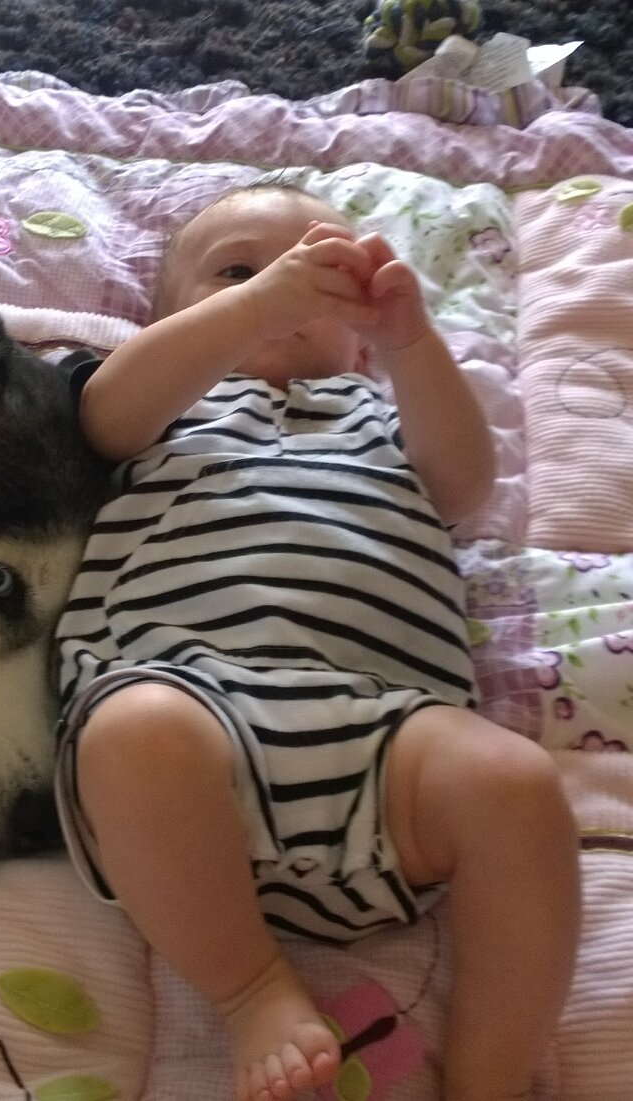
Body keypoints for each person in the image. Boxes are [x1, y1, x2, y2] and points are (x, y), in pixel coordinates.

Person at [53, 183, 580, 1101]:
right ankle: (252, 987)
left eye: (318, 272)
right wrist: (260, 307)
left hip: (387, 738)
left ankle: (489, 1077)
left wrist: (410, 343)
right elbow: (103, 411)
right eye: (237, 271)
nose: (286, 285)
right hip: (194, 711)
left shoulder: (377, 417)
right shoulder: (167, 407)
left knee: (520, 787)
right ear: (169, 320)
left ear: (359, 345)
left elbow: (464, 489)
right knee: (129, 733)